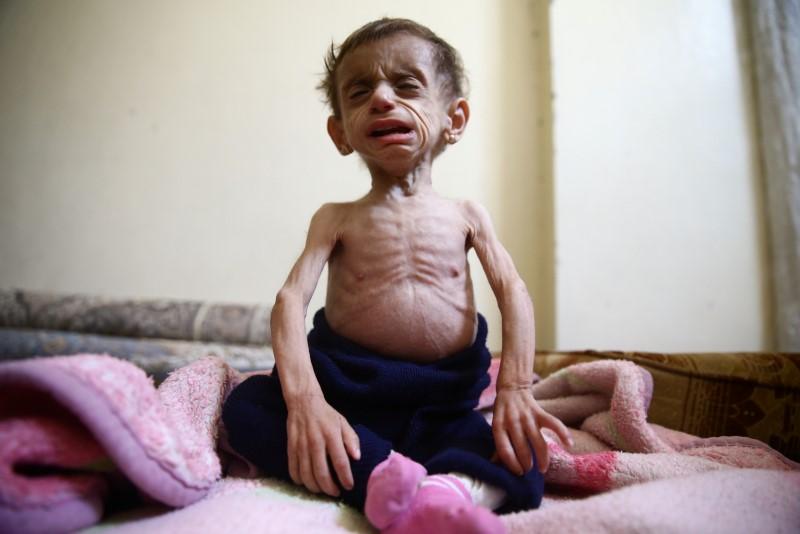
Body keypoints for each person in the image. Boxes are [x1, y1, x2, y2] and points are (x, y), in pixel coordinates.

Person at [222, 17, 572, 534]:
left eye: (406, 85)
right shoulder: (334, 217)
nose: (382, 99)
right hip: (347, 390)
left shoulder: (467, 215)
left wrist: (516, 388)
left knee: (523, 455)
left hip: (442, 400)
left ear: (454, 119)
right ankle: (382, 477)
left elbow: (513, 291)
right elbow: (290, 301)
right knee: (246, 409)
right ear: (340, 132)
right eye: (360, 92)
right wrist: (306, 402)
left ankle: (446, 493)